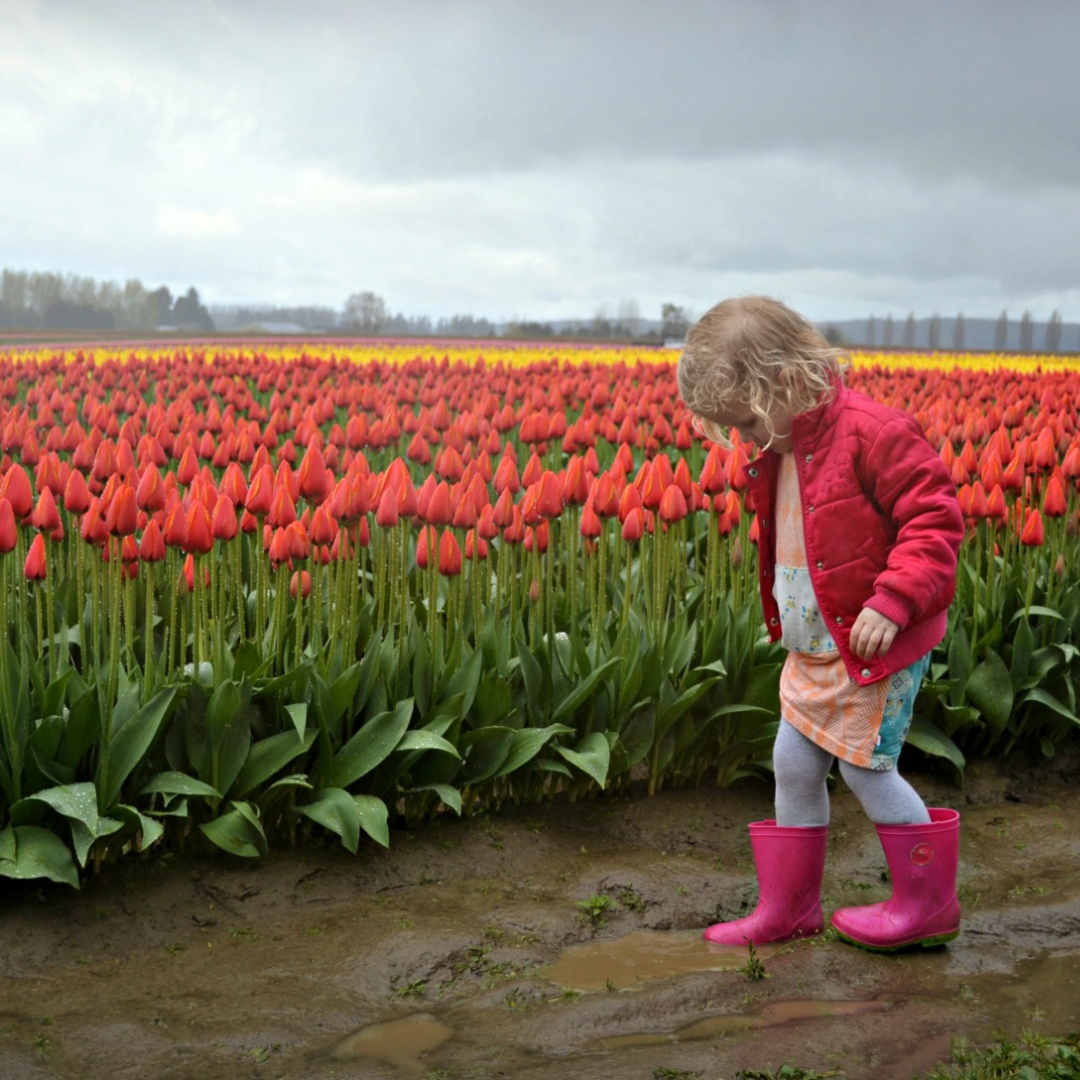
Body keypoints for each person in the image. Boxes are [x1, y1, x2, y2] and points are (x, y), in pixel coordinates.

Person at [677, 296, 965, 951]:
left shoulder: (876, 433)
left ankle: (928, 905)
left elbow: (935, 523)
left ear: (782, 380)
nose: (744, 438)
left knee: (867, 769)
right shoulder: (781, 446)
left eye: (746, 421)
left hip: (872, 644)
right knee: (793, 764)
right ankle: (790, 908)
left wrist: (892, 600)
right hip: (815, 645)